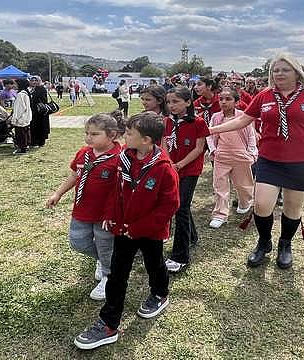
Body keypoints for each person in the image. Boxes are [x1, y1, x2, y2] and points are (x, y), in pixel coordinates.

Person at [209, 54, 304, 269]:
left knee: (292, 207)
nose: (279, 74)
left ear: (296, 72)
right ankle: (264, 241)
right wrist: (211, 129)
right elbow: (243, 120)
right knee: (261, 205)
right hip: (270, 160)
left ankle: (285, 244)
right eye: (275, 70)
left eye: (285, 70)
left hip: (302, 161)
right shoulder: (265, 95)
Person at [74, 111, 179, 350]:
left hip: (149, 231)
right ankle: (109, 323)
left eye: (129, 133)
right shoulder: (124, 158)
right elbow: (116, 191)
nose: (125, 136)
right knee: (118, 273)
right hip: (123, 229)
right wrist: (111, 215)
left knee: (155, 264)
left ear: (147, 140)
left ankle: (160, 294)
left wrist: (139, 228)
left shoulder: (163, 168)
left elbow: (169, 205)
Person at [47, 112, 123, 302]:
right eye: (87, 133)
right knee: (78, 242)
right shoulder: (84, 153)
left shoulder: (120, 158)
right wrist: (58, 193)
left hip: (106, 215)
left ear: (112, 135)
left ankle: (109, 276)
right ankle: (105, 261)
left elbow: (122, 189)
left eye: (95, 134)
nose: (89, 137)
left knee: (106, 246)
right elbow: (74, 176)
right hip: (82, 209)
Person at [162, 86, 210, 273]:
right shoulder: (167, 122)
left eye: (176, 101)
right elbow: (164, 142)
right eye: (168, 102)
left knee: (180, 207)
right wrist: (168, 162)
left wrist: (180, 164)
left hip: (189, 169)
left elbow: (199, 148)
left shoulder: (198, 123)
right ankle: (191, 236)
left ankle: (180, 257)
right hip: (171, 167)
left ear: (188, 102)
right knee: (182, 205)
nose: (171, 105)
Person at [208, 88, 257, 228]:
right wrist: (213, 150)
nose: (223, 102)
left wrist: (252, 152)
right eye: (221, 99)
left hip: (241, 155)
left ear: (237, 102)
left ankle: (245, 202)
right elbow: (210, 135)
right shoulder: (216, 117)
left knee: (243, 184)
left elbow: (251, 135)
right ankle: (220, 214)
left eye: (228, 99)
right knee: (220, 186)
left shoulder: (243, 116)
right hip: (221, 155)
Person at [10, 78, 32, 155]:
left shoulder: (20, 95)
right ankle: (25, 146)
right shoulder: (25, 93)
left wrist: (14, 119)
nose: (13, 86)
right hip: (26, 118)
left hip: (21, 119)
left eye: (15, 84)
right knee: (25, 133)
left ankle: (22, 148)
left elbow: (19, 109)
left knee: (20, 134)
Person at [29, 75, 50, 147]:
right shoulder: (32, 89)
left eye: (36, 80)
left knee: (41, 126)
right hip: (34, 112)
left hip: (41, 111)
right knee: (34, 127)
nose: (34, 82)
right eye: (32, 80)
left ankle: (40, 142)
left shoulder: (41, 89)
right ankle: (35, 141)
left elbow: (42, 100)